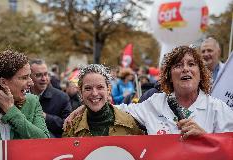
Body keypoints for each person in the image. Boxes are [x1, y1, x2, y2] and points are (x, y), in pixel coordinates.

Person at [66, 46, 233, 139]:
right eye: (178, 65)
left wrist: (206, 138)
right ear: (169, 75)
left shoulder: (218, 109)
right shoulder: (155, 103)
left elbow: (229, 153)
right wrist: (86, 106)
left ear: (200, 72)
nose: (185, 69)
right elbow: (117, 110)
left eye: (191, 64)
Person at [63, 64, 143, 137]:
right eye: (88, 88)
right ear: (80, 92)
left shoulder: (129, 123)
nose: (94, 93)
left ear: (109, 90)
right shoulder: (72, 128)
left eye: (100, 87)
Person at [30, 59, 72, 138]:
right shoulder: (21, 96)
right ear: (29, 77)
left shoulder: (62, 97)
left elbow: (69, 126)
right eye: (38, 75)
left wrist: (45, 117)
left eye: (46, 74)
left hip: (53, 147)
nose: (44, 78)